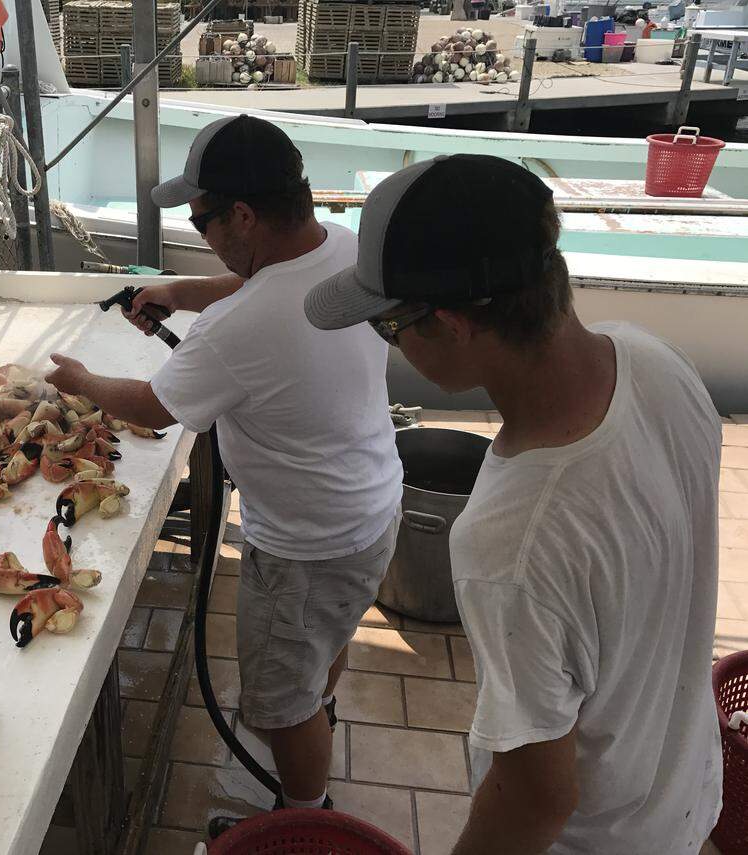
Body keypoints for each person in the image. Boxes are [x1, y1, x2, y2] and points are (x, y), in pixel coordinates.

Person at [304, 154, 723, 854]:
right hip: (681, 797)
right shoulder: (656, 362)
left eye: (388, 325)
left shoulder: (511, 539)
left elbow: (536, 797)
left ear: (452, 323)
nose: (388, 342)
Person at [45, 114, 403, 834]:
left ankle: (304, 815)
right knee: (323, 643)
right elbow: (265, 294)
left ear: (242, 214)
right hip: (370, 507)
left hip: (304, 543)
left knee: (278, 702)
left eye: (199, 217)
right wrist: (178, 293)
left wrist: (81, 380)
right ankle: (316, 717)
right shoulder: (340, 244)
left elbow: (153, 405)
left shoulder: (236, 330)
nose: (197, 228)